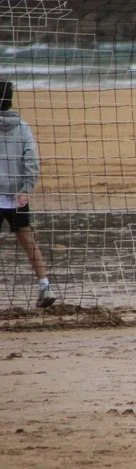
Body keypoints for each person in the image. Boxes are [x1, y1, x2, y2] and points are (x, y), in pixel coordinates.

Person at [0, 80, 55, 308]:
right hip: (17, 196)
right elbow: (31, 160)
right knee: (28, 240)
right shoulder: (22, 127)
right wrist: (26, 189)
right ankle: (45, 286)